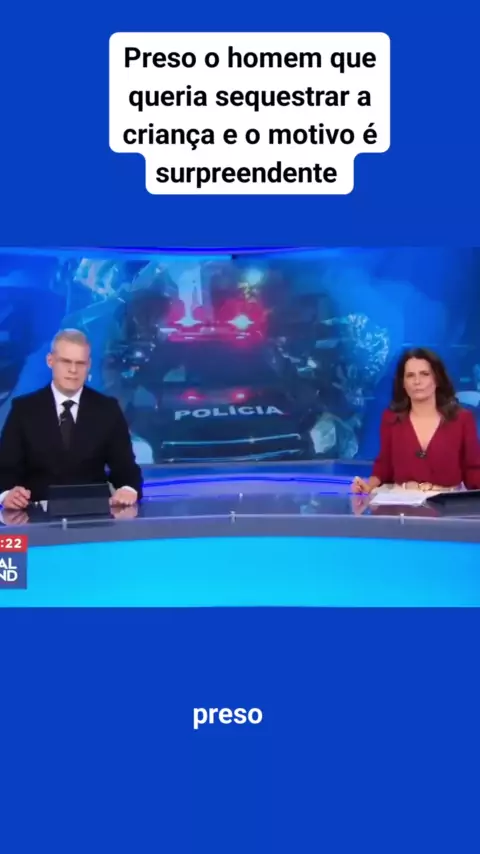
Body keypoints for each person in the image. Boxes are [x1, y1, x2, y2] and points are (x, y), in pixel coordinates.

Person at [0, 329, 143, 509]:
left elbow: (125, 467)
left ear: (89, 365)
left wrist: (128, 489)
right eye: (66, 362)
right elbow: (6, 468)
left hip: (93, 515)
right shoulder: (24, 409)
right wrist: (6, 494)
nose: (73, 370)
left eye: (80, 363)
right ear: (50, 361)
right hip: (35, 515)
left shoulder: (107, 409)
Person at [352, 347, 480, 493]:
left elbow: (473, 470)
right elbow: (384, 466)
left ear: (437, 379)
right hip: (403, 502)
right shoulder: (391, 419)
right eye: (410, 376)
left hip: (447, 502)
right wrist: (368, 486)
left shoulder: (462, 419)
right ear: (403, 383)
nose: (417, 381)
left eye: (424, 374)